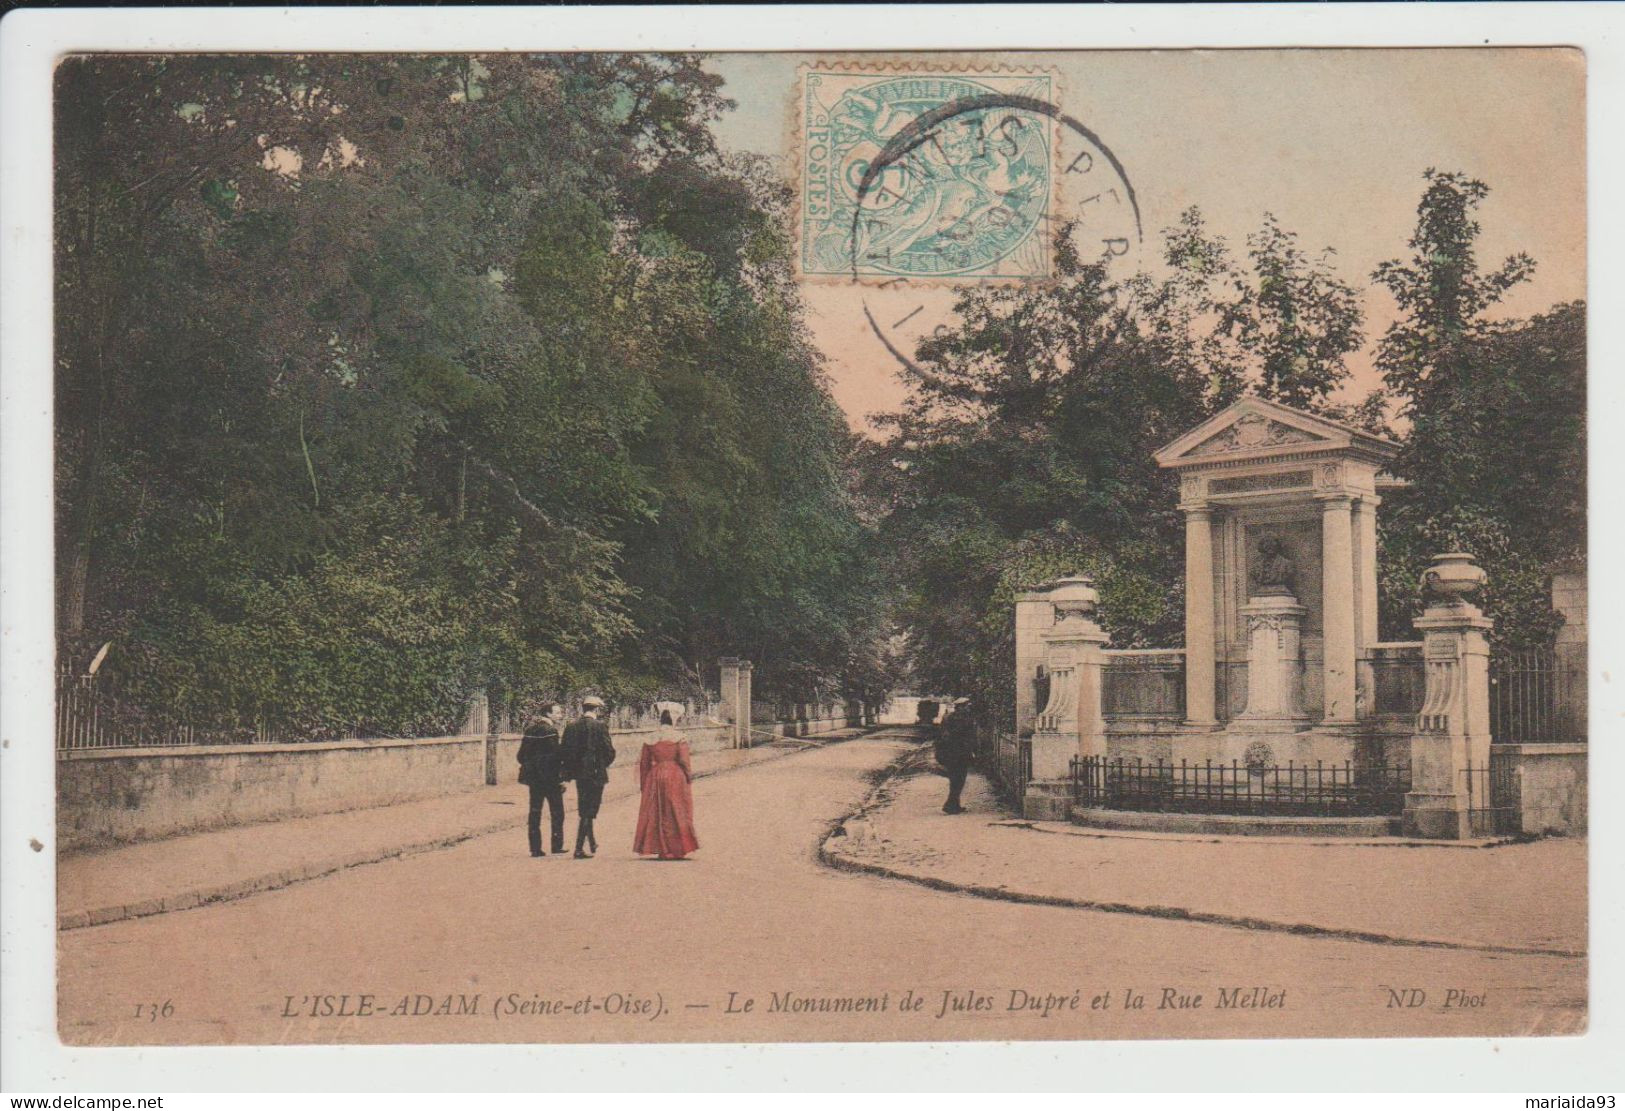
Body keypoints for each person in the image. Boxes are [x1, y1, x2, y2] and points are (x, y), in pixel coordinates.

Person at [632, 703, 700, 861]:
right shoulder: (679, 737)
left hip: (655, 776)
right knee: (676, 810)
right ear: (674, 720)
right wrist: (688, 777)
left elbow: (644, 764)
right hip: (675, 775)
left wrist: (644, 784)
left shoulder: (650, 738)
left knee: (658, 812)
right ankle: (677, 848)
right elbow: (684, 760)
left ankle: (661, 848)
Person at [562, 695, 616, 859]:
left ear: (583, 709)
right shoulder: (600, 727)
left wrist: (571, 771)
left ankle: (591, 841)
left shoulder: (571, 727)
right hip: (595, 774)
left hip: (580, 775)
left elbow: (565, 751)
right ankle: (579, 848)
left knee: (585, 807)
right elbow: (609, 752)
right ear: (597, 709)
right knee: (589, 811)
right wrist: (601, 765)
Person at [516, 701, 567, 857]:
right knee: (557, 812)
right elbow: (555, 757)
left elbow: (520, 756)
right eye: (557, 713)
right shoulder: (551, 731)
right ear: (548, 714)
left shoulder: (530, 730)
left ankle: (535, 848)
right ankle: (556, 845)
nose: (560, 715)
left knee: (535, 812)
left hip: (534, 779)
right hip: (550, 779)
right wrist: (560, 778)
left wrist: (531, 768)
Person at [935, 697, 977, 814]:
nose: (969, 708)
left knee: (955, 779)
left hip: (949, 752)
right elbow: (966, 737)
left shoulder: (948, 717)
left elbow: (940, 735)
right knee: (959, 779)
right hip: (959, 753)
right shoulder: (962, 719)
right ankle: (950, 805)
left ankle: (954, 804)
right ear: (961, 707)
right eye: (967, 706)